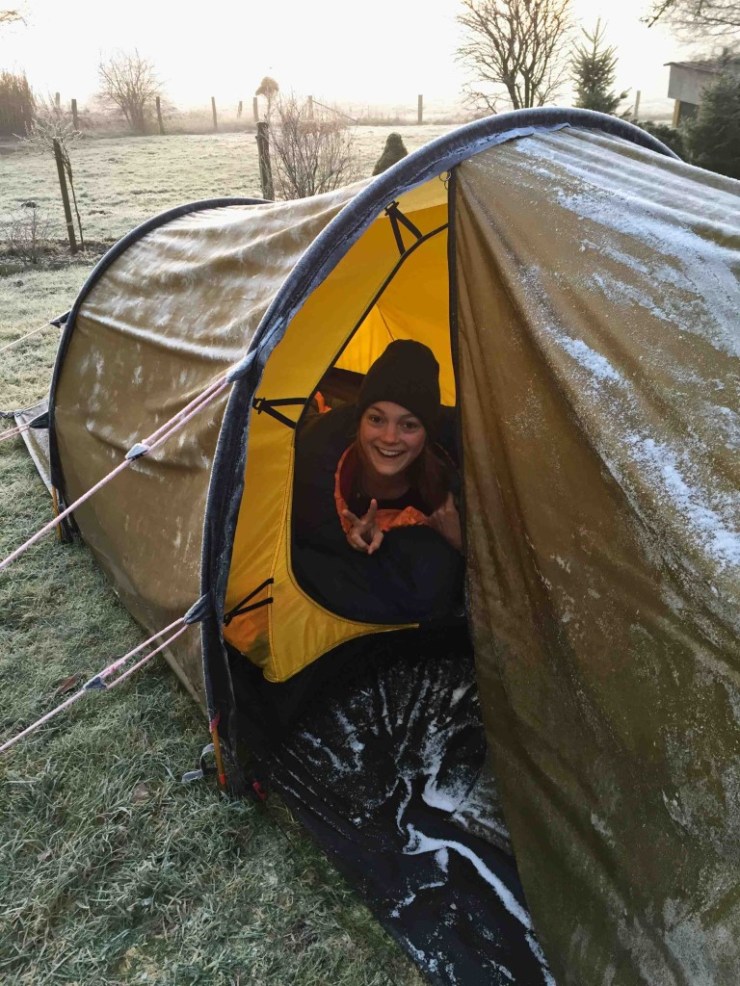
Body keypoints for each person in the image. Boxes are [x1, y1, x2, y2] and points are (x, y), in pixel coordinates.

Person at [292, 340, 464, 625]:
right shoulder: (319, 451)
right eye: (376, 419)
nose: (389, 438)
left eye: (409, 425)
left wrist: (460, 541)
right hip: (311, 425)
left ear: (427, 433)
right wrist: (347, 539)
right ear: (359, 420)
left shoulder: (453, 472)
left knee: (433, 568)